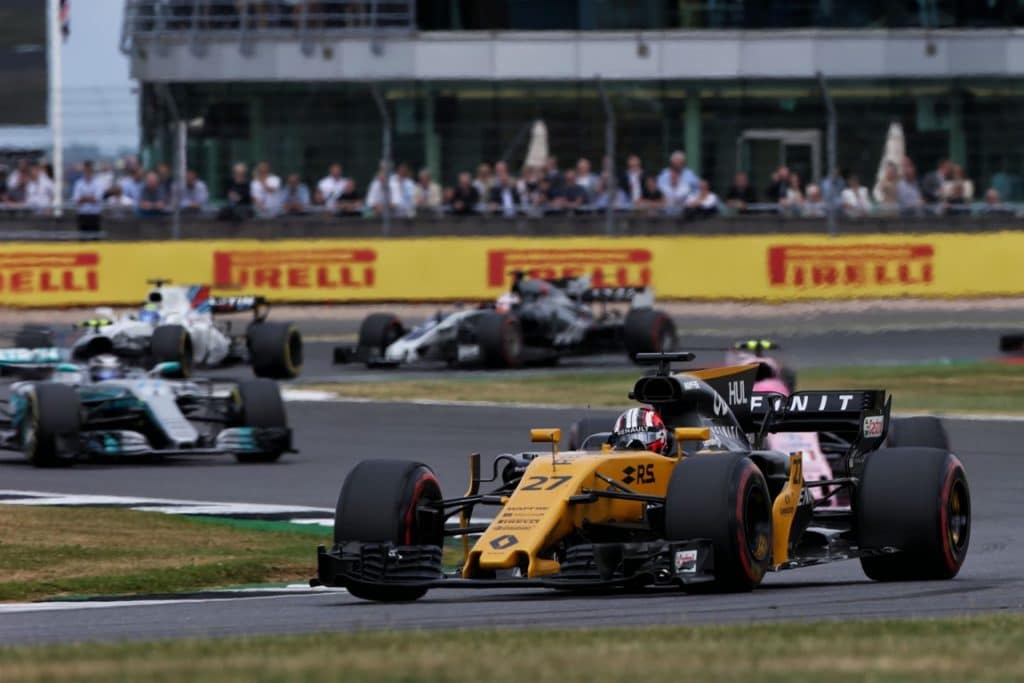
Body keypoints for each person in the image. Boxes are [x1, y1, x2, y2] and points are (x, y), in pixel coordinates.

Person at [72, 160, 104, 233]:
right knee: (83, 240)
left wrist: (84, 198)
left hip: (95, 215)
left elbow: (97, 199)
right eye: (86, 170)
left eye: (89, 170)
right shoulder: (79, 183)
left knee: (95, 239)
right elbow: (76, 199)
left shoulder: (98, 183)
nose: (88, 172)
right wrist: (90, 198)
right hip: (82, 215)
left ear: (92, 170)